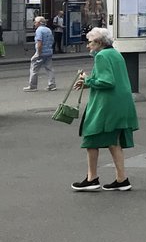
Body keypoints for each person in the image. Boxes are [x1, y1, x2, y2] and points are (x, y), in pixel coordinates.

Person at [71, 27, 139, 191]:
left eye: (90, 42)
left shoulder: (101, 56)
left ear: (99, 43)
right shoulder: (115, 53)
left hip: (106, 104)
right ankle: (121, 179)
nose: (88, 46)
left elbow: (107, 81)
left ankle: (92, 178)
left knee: (91, 137)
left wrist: (87, 79)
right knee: (113, 141)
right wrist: (88, 82)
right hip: (121, 102)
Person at [25, 15, 56, 92]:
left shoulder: (39, 30)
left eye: (35, 22)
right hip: (49, 52)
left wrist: (38, 53)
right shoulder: (48, 30)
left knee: (34, 69)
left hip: (41, 52)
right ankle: (52, 85)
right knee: (49, 69)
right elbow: (52, 40)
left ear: (39, 23)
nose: (34, 24)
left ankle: (33, 86)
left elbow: (39, 42)